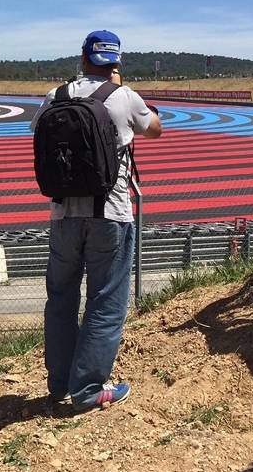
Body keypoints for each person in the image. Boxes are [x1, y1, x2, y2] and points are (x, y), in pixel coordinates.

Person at [30, 30, 162, 412]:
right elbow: (155, 129)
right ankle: (88, 389)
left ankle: (58, 384)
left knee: (60, 300)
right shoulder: (124, 97)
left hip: (62, 214)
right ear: (115, 62)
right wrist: (123, 92)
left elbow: (36, 130)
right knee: (105, 301)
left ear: (83, 58)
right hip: (110, 214)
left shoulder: (55, 96)